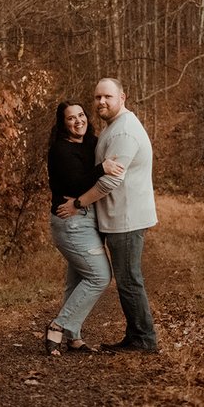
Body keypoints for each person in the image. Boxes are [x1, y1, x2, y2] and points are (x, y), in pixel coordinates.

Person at [56, 78, 158, 353]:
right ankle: (136, 335)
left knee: (128, 280)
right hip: (117, 217)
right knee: (127, 279)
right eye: (98, 97)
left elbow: (111, 181)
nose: (101, 101)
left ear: (122, 97)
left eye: (107, 97)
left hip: (126, 218)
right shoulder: (115, 127)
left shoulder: (124, 132)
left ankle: (144, 339)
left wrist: (79, 203)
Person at [44, 100, 123, 356]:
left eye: (81, 115)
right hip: (70, 221)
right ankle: (58, 325)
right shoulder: (60, 150)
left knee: (77, 279)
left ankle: (73, 337)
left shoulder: (91, 142)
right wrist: (102, 169)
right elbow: (76, 182)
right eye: (70, 118)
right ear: (62, 123)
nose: (78, 121)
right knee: (100, 276)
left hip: (86, 217)